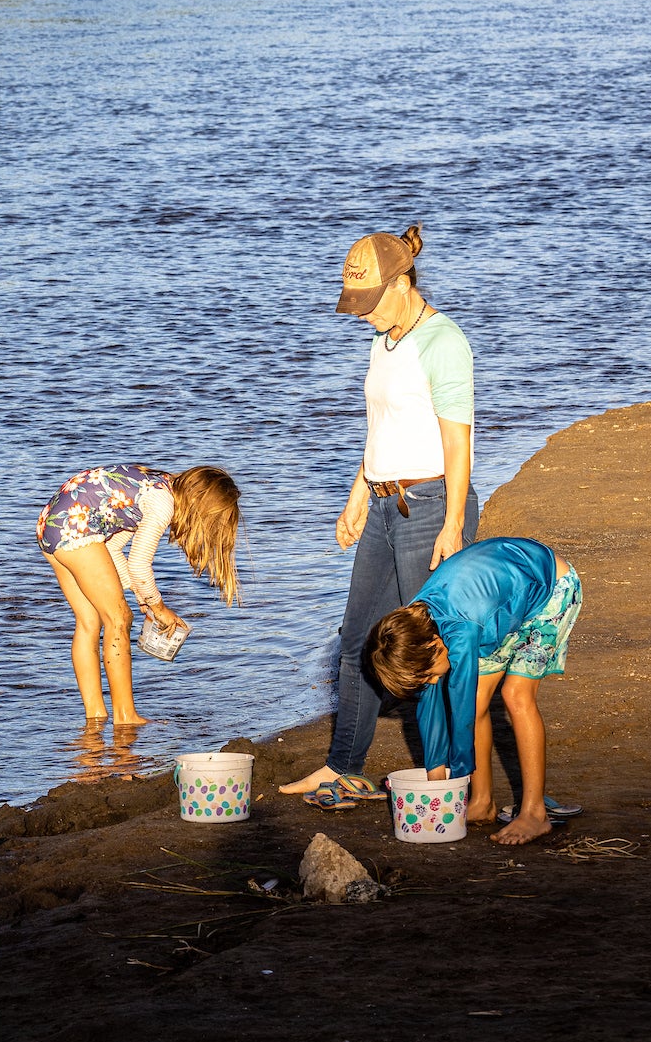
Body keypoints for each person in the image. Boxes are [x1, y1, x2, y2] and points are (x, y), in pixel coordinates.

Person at [281, 224, 479, 811]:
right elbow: (382, 428)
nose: (362, 316)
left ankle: (448, 775)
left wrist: (451, 525)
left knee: (427, 649)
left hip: (432, 506)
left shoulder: (443, 342)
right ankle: (344, 768)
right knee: (356, 641)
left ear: (402, 283)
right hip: (383, 503)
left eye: (369, 302)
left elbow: (459, 445)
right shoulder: (384, 340)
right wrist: (358, 493)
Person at [365, 536, 584, 846]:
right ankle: (482, 803)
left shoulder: (461, 628)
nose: (430, 683)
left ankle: (535, 813)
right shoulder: (417, 624)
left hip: (550, 589)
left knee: (515, 695)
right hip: (500, 607)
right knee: (481, 699)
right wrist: (436, 780)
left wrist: (458, 773)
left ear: (435, 646)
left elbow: (461, 705)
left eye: (427, 675)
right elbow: (430, 704)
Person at [37, 464, 242, 724]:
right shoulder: (162, 503)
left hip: (51, 526)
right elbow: (138, 564)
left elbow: (110, 550)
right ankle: (126, 716)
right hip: (76, 531)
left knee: (90, 623)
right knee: (119, 619)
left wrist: (141, 595)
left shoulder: (157, 485)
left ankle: (95, 717)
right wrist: (158, 607)